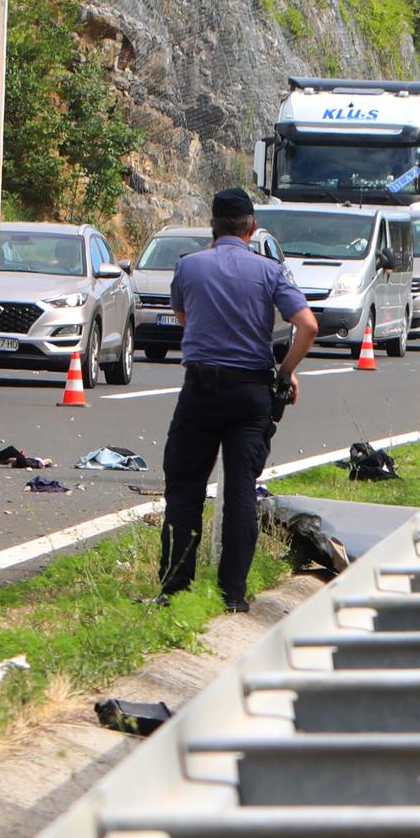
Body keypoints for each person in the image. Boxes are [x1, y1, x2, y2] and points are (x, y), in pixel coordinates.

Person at [157, 188, 319, 613]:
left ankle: (174, 589)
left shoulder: (188, 267)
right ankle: (233, 594)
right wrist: (285, 372)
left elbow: (185, 318)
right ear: (252, 228)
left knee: (184, 487)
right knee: (241, 491)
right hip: (250, 392)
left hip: (201, 389)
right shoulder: (269, 271)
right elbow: (308, 326)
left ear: (212, 226)